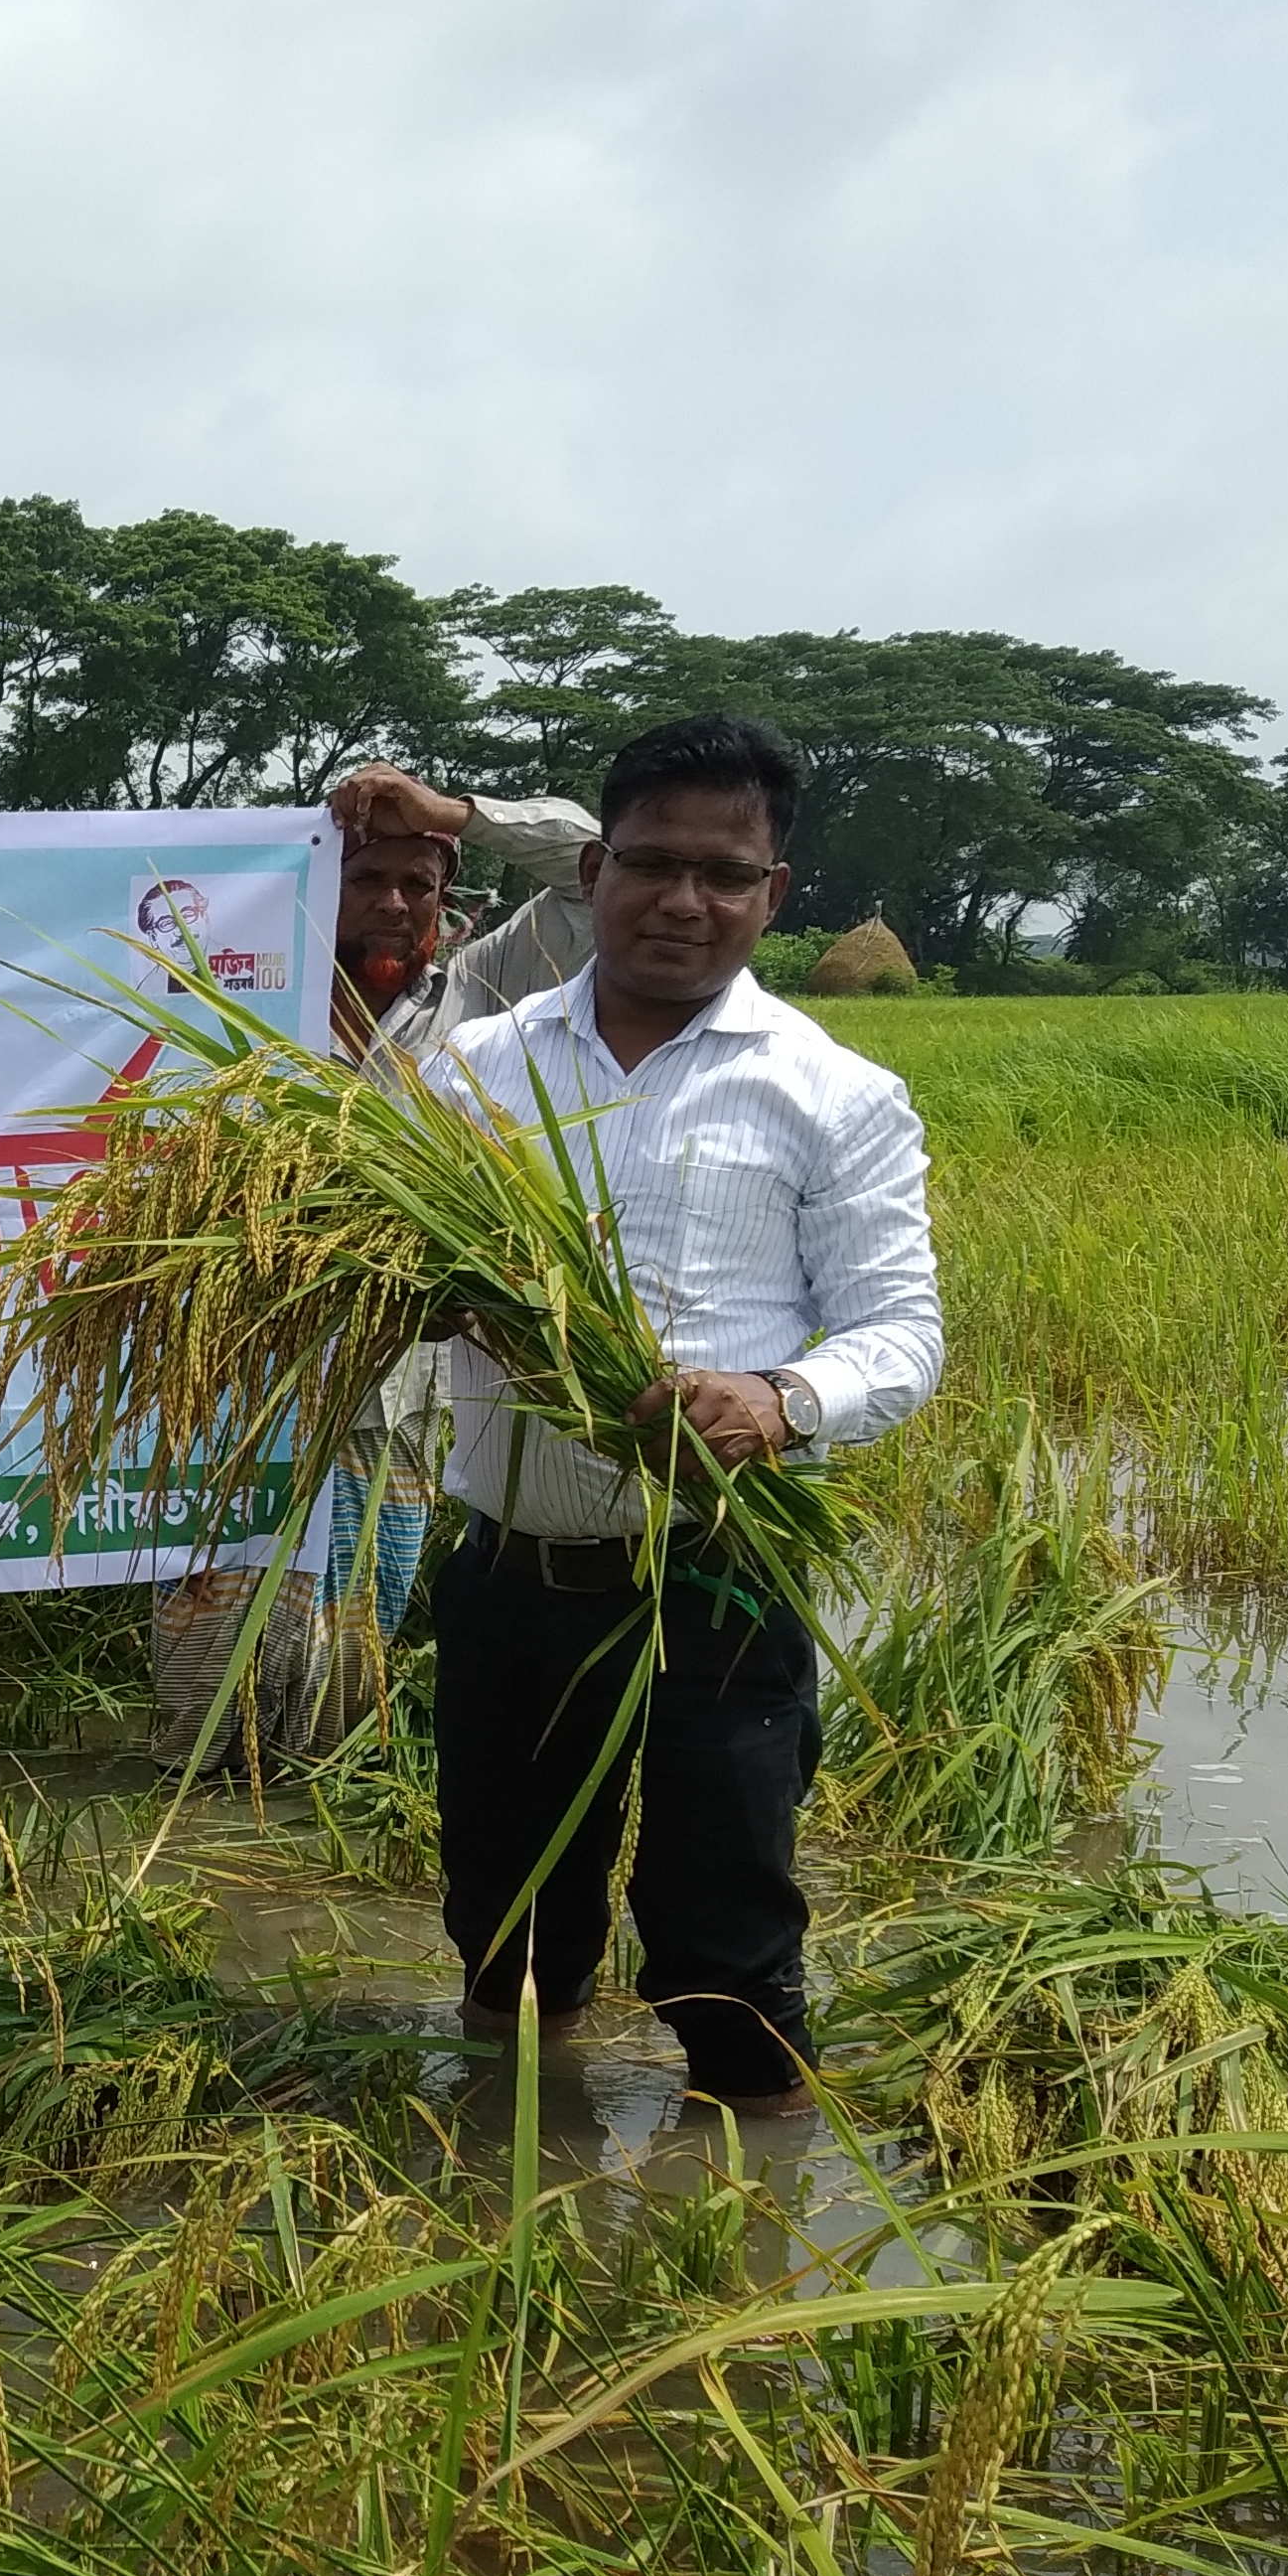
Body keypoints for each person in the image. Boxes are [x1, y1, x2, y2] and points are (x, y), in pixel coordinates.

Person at [419, 712, 941, 2117]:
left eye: (726, 875)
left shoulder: (836, 1093)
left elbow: (904, 1334)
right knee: (509, 1931)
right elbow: (395, 1275)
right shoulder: (474, 1072)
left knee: (728, 1956)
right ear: (591, 870)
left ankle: (747, 2244)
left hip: (719, 1574)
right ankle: (512, 2182)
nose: (684, 902)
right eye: (652, 864)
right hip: (511, 1574)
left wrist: (781, 1398)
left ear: (773, 896)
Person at [147, 771, 604, 1773]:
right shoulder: (240, 1000)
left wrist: (455, 815)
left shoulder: (483, 993)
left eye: (419, 884)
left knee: (349, 1650)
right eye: (367, 880)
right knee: (204, 1647)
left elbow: (591, 877)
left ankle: (313, 1818)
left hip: (394, 1392)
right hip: (236, 1380)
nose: (395, 903)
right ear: (315, 886)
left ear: (448, 901)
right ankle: (187, 1814)